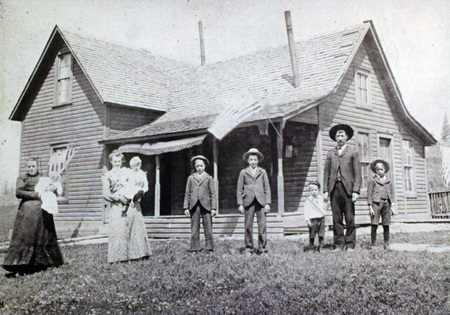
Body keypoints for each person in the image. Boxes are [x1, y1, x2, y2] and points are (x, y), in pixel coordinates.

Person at [2, 158, 64, 275]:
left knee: (43, 235)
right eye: (29, 166)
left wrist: (52, 189)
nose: (31, 168)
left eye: (33, 166)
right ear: (26, 167)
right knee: (26, 235)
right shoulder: (22, 178)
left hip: (43, 210)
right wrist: (36, 194)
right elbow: (19, 192)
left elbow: (54, 187)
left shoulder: (44, 177)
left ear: (37, 166)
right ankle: (23, 264)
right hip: (27, 212)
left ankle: (46, 263)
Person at [102, 151, 150, 263]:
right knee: (118, 230)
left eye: (119, 161)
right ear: (111, 161)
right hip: (117, 203)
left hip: (131, 202)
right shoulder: (107, 175)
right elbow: (105, 194)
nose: (117, 163)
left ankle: (139, 254)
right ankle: (118, 257)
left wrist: (138, 192)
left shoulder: (127, 171)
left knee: (136, 227)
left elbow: (138, 178)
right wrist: (118, 198)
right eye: (115, 161)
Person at [323, 124, 361, 251]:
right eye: (337, 135)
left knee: (349, 217)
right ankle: (339, 244)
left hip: (348, 189)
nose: (340, 137)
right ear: (335, 138)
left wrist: (356, 190)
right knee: (336, 217)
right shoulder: (330, 154)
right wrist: (325, 191)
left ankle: (350, 244)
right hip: (334, 188)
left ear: (347, 137)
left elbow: (357, 173)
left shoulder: (352, 153)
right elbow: (326, 173)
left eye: (342, 135)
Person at [237, 148, 271, 255]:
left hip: (260, 202)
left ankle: (263, 248)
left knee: (262, 225)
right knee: (248, 226)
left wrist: (267, 203)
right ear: (247, 161)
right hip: (248, 201)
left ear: (258, 161)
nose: (253, 162)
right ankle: (249, 248)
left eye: (255, 160)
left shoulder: (262, 172)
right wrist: (240, 204)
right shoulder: (243, 172)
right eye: (251, 160)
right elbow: (239, 189)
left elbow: (267, 188)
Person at [183, 155, 217, 252]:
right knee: (194, 227)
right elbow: (187, 193)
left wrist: (213, 208)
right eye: (197, 166)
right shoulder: (191, 178)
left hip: (206, 205)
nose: (199, 168)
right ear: (195, 167)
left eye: (201, 166)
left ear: (205, 166)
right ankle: (194, 248)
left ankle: (209, 247)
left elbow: (213, 194)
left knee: (208, 227)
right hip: (194, 205)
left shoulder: (209, 178)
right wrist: (186, 207)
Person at [368, 159, 396, 249]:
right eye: (377, 170)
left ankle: (386, 243)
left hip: (386, 203)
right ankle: (373, 244)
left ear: (385, 170)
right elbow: (369, 194)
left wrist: (393, 205)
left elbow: (392, 193)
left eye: (381, 170)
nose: (380, 172)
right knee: (374, 223)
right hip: (376, 204)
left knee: (386, 224)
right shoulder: (373, 181)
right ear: (375, 171)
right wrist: (370, 207)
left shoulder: (389, 181)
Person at [304, 181, 329, 252]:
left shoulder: (321, 198)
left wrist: (326, 202)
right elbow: (306, 210)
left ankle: (321, 247)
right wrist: (307, 219)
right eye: (312, 190)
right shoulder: (308, 200)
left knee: (321, 234)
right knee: (312, 234)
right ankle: (311, 248)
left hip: (321, 218)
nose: (314, 192)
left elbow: (325, 208)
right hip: (312, 219)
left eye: (315, 190)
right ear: (309, 191)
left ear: (318, 190)